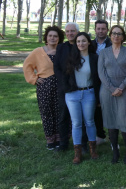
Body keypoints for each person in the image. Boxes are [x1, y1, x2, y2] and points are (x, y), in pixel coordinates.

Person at [98, 25, 126, 164]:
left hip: (125, 90)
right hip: (107, 91)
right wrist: (111, 88)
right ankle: (115, 152)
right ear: (110, 35)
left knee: (124, 121)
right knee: (111, 121)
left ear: (123, 36)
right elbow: (101, 72)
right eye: (113, 33)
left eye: (119, 34)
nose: (116, 36)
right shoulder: (103, 53)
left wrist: (121, 87)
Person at [23, 26, 64, 150]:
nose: (52, 38)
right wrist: (34, 79)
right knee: (47, 112)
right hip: (44, 87)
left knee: (59, 112)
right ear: (46, 37)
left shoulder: (62, 51)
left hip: (60, 87)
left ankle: (59, 138)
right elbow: (27, 65)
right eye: (50, 35)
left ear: (59, 38)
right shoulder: (38, 52)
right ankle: (50, 140)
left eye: (55, 36)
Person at [63, 32, 101, 164]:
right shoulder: (71, 57)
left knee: (89, 121)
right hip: (72, 94)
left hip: (89, 93)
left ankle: (93, 150)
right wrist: (67, 89)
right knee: (76, 123)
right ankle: (77, 153)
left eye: (84, 41)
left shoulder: (95, 58)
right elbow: (63, 76)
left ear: (89, 42)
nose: (81, 44)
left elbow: (98, 79)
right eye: (78, 41)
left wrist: (98, 97)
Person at [53, 22, 80, 151]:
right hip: (64, 87)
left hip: (80, 86)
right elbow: (56, 67)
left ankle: (82, 143)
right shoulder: (61, 48)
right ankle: (63, 143)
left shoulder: (82, 45)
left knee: (81, 117)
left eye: (72, 31)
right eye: (68, 31)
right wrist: (64, 83)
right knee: (63, 116)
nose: (70, 33)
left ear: (77, 32)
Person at [92, 19, 111, 145]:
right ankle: (100, 134)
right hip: (93, 80)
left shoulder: (112, 43)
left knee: (110, 108)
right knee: (96, 108)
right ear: (95, 30)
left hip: (109, 80)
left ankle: (113, 136)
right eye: (98, 28)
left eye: (103, 29)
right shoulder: (90, 44)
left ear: (107, 30)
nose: (100, 31)